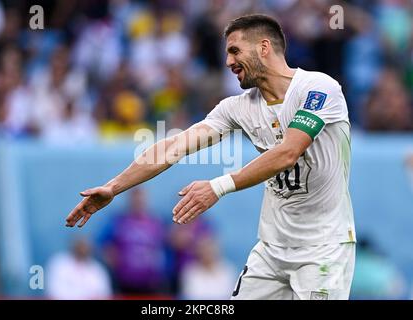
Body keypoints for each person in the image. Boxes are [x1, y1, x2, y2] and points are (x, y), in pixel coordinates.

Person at [66, 14, 356, 300]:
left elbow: (288, 153)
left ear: (264, 48)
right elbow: (174, 147)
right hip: (271, 251)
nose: (228, 62)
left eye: (235, 51)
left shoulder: (319, 89)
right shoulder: (236, 107)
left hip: (324, 248)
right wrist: (114, 187)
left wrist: (217, 187)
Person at [46, 237, 112, 300]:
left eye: (84, 246)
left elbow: (104, 294)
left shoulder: (97, 269)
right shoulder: (59, 263)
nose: (82, 249)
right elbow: (54, 292)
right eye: (80, 246)